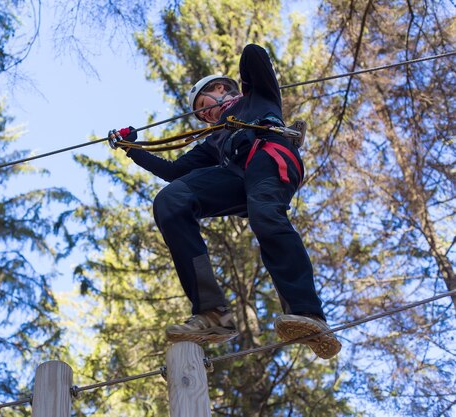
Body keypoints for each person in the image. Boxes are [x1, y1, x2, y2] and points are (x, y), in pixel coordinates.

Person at [109, 44, 341, 359]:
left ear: (221, 88)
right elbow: (173, 171)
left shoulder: (259, 97)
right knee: (171, 200)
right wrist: (130, 148)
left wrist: (243, 76)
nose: (205, 115)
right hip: (236, 176)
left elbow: (255, 55)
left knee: (266, 216)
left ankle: (308, 313)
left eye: (205, 105)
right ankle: (213, 313)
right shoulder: (216, 138)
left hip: (268, 156)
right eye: (201, 114)